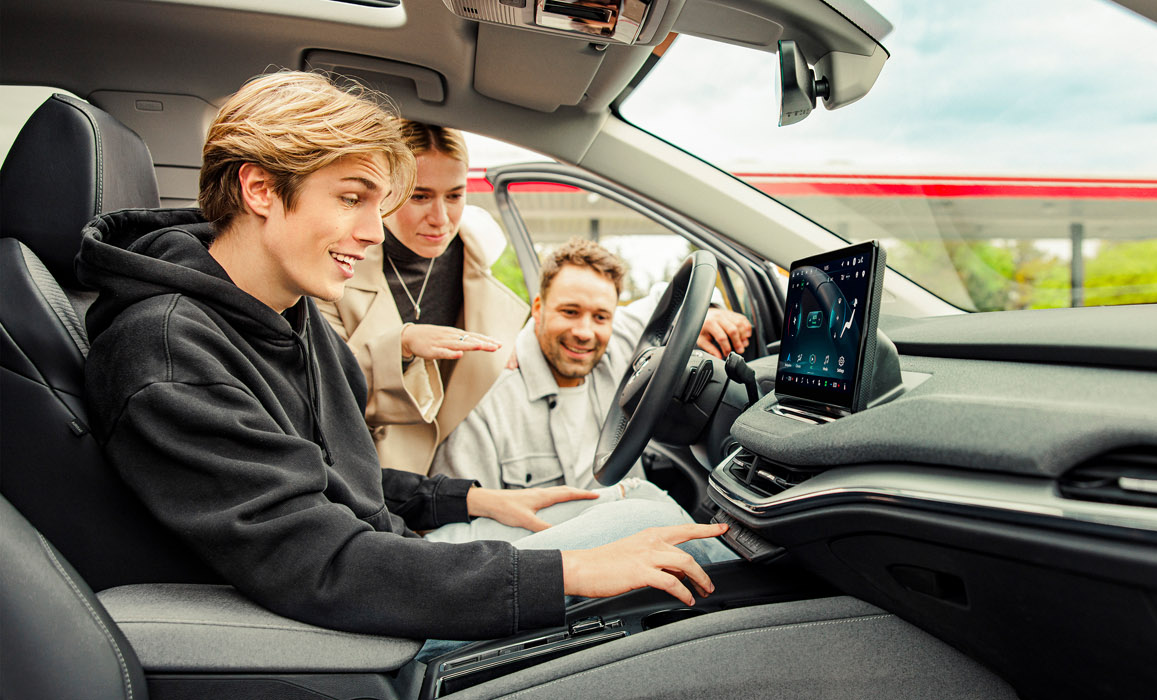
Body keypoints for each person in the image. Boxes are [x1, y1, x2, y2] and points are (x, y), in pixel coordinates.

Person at [77, 70, 726, 643]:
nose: (370, 232)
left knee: (643, 515)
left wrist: (469, 500)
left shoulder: (286, 314)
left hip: (388, 562)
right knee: (667, 535)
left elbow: (327, 473)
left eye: (378, 204)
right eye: (352, 198)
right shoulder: (167, 355)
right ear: (261, 190)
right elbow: (316, 559)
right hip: (357, 630)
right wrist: (572, 572)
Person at [430, 238, 751, 491]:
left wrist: (708, 311)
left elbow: (666, 299)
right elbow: (462, 525)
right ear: (538, 309)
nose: (584, 332)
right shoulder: (486, 400)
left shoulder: (623, 343)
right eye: (569, 312)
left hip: (634, 530)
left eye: (600, 317)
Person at [315, 120, 525, 476]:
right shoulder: (330, 268)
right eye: (421, 196)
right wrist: (401, 346)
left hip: (455, 475)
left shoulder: (481, 273)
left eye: (455, 195)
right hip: (354, 474)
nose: (441, 219)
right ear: (386, 192)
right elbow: (319, 388)